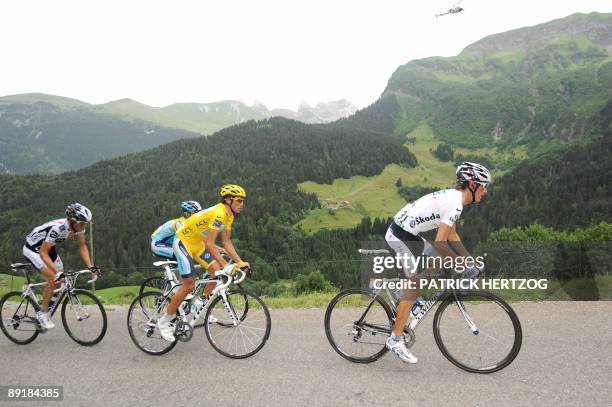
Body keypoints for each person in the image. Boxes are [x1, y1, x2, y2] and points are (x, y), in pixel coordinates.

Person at [384, 162, 491, 363]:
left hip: (408, 232)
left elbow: (452, 234)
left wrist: (469, 261)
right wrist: (463, 265)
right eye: (484, 186)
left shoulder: (455, 200)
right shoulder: (455, 203)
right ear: (473, 185)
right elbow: (441, 243)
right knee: (413, 287)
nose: (485, 191)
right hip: (400, 235)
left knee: (438, 262)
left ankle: (404, 294)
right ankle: (395, 340)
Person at [156, 185, 251, 342]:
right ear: (228, 200)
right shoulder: (219, 213)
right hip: (183, 243)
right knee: (189, 285)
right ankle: (164, 322)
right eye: (239, 201)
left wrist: (239, 262)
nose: (242, 204)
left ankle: (200, 301)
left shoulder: (229, 216)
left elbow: (226, 242)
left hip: (197, 244)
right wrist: (227, 265)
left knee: (216, 272)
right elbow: (210, 244)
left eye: (243, 201)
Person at [22, 203, 99, 329]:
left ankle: (48, 304)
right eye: (82, 223)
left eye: (86, 223)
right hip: (34, 249)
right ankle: (42, 313)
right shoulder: (58, 228)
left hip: (48, 247)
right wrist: (56, 273)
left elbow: (82, 246)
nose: (84, 226)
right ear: (72, 221)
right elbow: (42, 252)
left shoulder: (78, 227)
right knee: (53, 279)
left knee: (61, 282)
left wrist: (91, 266)